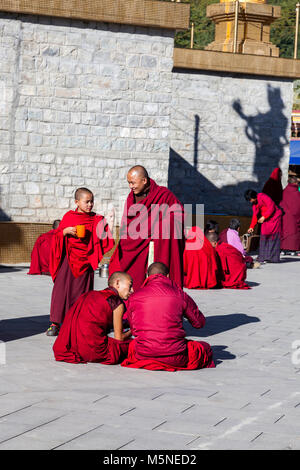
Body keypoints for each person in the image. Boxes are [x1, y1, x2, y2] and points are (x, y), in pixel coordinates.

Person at [121, 262, 215, 371]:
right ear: (168, 276)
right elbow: (199, 323)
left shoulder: (135, 296)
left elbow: (133, 329)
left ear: (147, 276)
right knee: (205, 348)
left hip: (143, 354)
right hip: (176, 357)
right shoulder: (180, 294)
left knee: (132, 345)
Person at [46, 187, 114, 336]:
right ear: (77, 202)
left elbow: (105, 238)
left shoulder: (96, 219)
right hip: (69, 260)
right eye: (87, 201)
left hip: (86, 261)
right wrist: (65, 231)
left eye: (92, 201)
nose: (90, 205)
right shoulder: (69, 216)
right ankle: (55, 323)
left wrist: (108, 222)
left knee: (82, 294)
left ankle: (77, 321)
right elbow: (57, 235)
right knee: (61, 291)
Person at [109, 166, 185, 290]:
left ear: (144, 180)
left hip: (157, 246)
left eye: (133, 183)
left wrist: (160, 226)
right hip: (137, 244)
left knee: (156, 281)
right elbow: (128, 224)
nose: (130, 186)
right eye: (129, 183)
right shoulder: (131, 198)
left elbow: (178, 215)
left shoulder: (164, 195)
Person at [53, 272, 133, 365]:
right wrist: (133, 330)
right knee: (134, 344)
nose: (132, 290)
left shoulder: (92, 294)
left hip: (74, 348)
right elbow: (119, 338)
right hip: (95, 352)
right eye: (130, 285)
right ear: (117, 283)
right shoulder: (116, 302)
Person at [244, 189, 282, 263]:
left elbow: (271, 207)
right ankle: (263, 256)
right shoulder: (254, 204)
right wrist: (251, 227)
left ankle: (273, 258)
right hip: (266, 219)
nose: (250, 201)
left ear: (254, 196)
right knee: (264, 235)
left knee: (273, 237)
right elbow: (255, 215)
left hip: (275, 218)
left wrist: (264, 216)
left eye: (250, 199)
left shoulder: (263, 196)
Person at [280, 175, 300, 255]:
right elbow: (297, 206)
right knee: (294, 231)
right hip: (294, 218)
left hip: (285, 216)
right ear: (295, 183)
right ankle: (293, 249)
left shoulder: (284, 191)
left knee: (286, 231)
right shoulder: (296, 193)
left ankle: (284, 248)